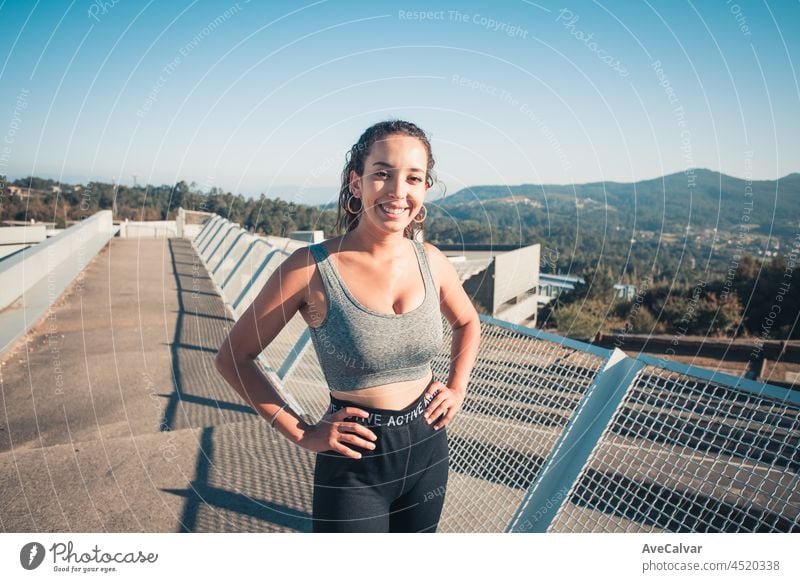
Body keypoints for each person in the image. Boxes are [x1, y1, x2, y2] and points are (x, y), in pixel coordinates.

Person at [214, 119, 481, 533]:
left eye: (412, 177)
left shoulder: (432, 259)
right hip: (355, 462)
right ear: (357, 183)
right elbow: (234, 357)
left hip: (428, 446)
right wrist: (301, 431)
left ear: (425, 188)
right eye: (382, 174)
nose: (397, 191)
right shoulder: (310, 268)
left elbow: (467, 322)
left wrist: (457, 387)